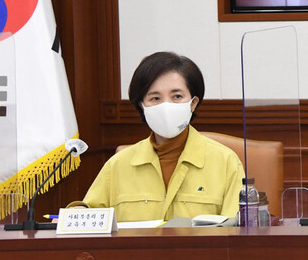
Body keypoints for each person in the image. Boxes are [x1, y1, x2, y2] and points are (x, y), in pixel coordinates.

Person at [72, 52, 244, 222]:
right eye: (155, 98)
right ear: (142, 106)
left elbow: (237, 231)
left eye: (177, 96)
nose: (166, 106)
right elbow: (90, 224)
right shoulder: (117, 165)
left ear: (193, 103)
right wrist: (76, 214)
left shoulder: (225, 162)